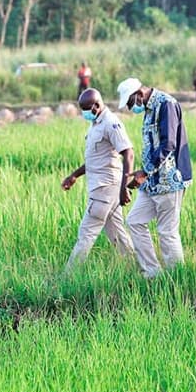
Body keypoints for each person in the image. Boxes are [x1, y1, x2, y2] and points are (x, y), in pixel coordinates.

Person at [116, 77, 192, 278]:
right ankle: (153, 272)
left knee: (167, 232)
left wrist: (144, 171)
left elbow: (168, 144)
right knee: (134, 221)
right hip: (151, 183)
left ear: (139, 95)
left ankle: (178, 278)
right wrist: (143, 175)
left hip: (169, 180)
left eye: (131, 103)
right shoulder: (149, 110)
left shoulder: (166, 105)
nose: (132, 109)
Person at [61, 88, 135, 268]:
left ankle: (69, 276)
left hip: (105, 188)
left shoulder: (111, 123)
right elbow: (96, 160)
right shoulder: (95, 123)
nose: (84, 113)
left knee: (86, 233)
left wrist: (125, 186)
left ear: (96, 105)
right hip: (104, 187)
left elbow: (129, 153)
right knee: (117, 232)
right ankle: (138, 267)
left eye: (86, 109)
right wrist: (74, 176)